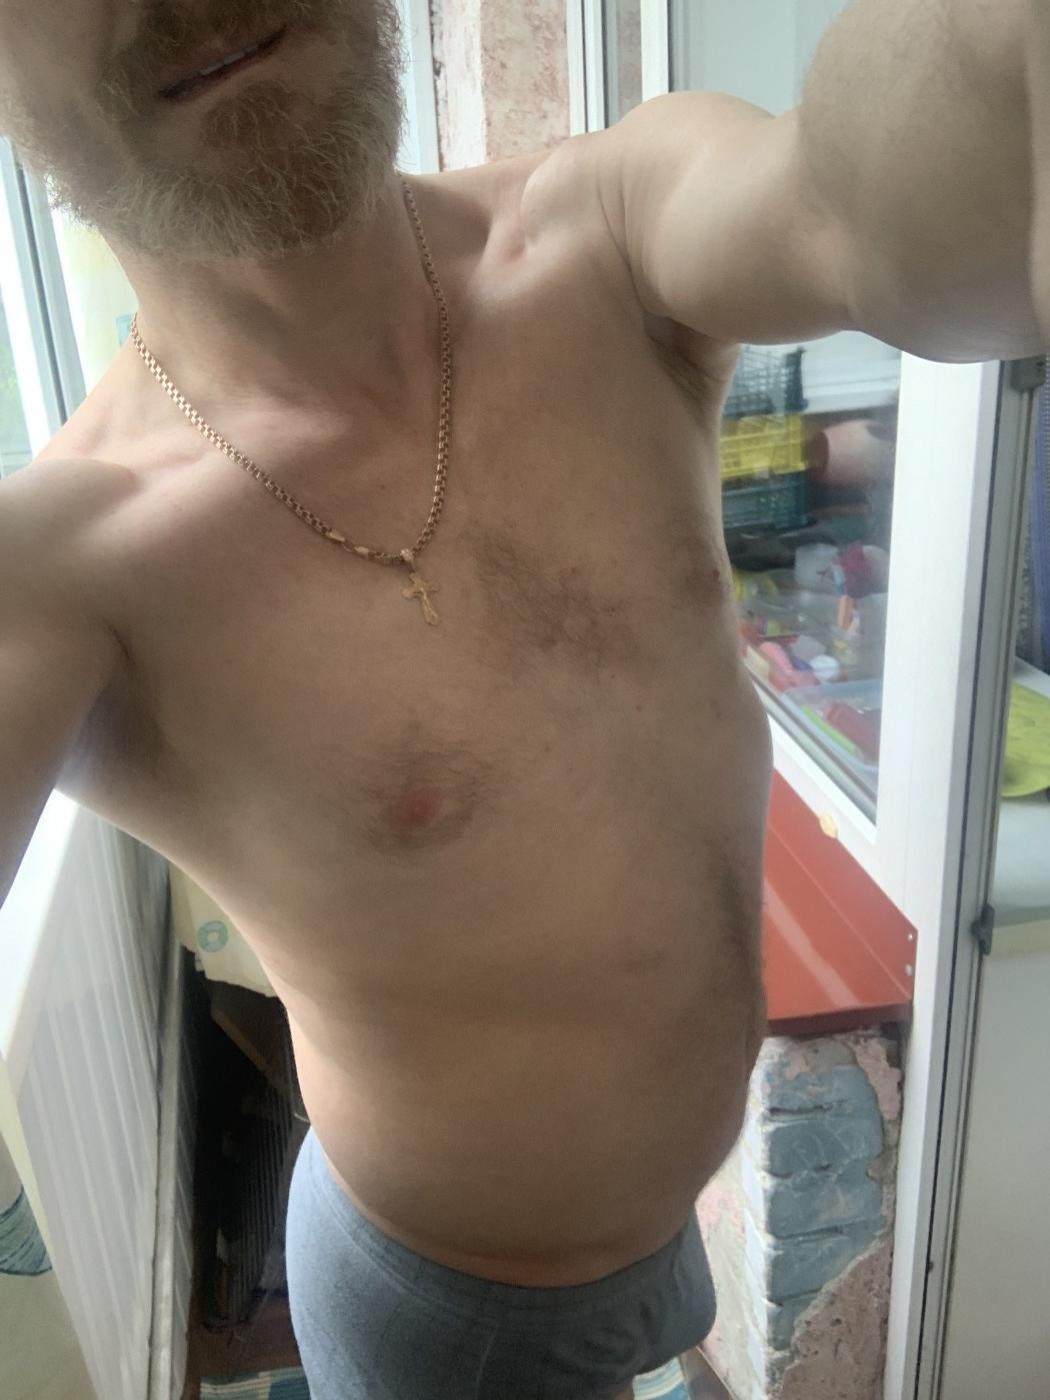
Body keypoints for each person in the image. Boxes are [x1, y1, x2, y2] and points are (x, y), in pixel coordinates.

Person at [0, 2, 1045, 1396]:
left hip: (652, 1234)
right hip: (443, 1311)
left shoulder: (603, 238)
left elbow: (865, 207)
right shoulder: (64, 569)